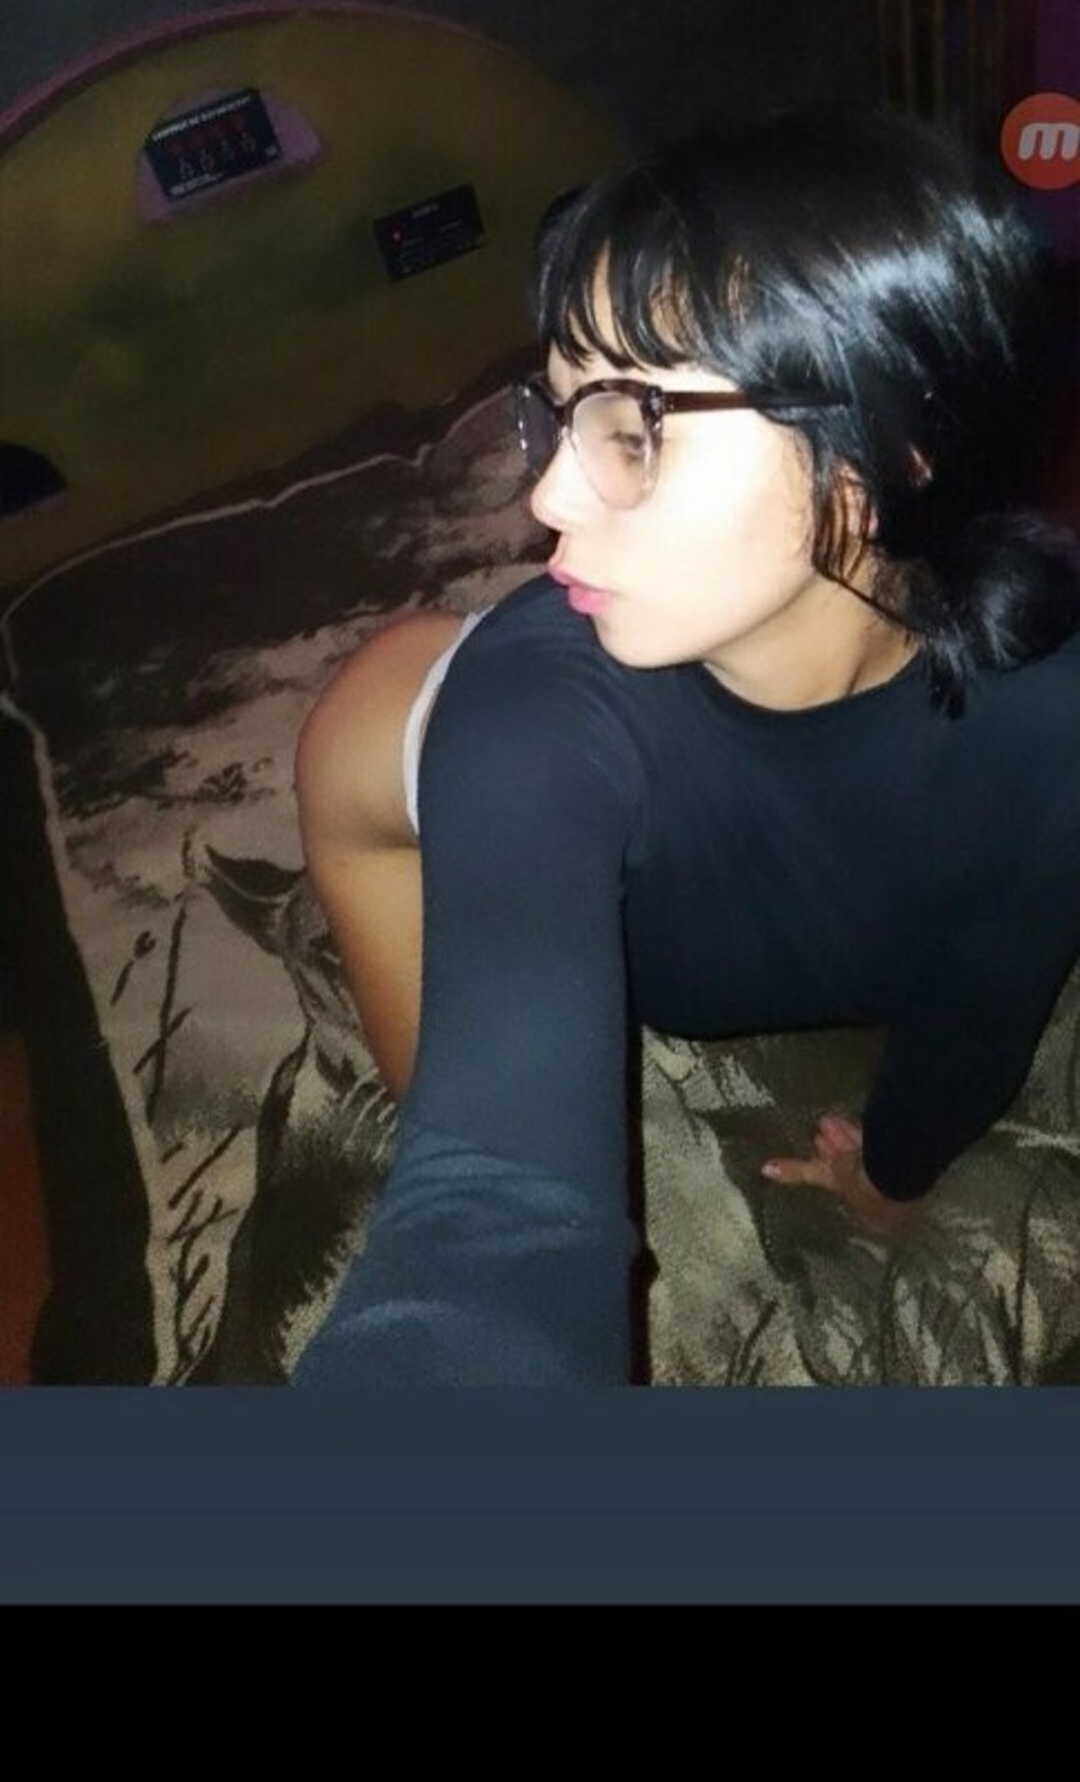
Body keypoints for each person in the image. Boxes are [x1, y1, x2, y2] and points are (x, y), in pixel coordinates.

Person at [293, 101, 1080, 1386]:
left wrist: (892, 1173)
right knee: (376, 776)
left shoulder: (1051, 707)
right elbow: (494, 1223)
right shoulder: (532, 724)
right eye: (561, 415)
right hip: (424, 739)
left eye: (633, 426)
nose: (544, 496)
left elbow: (991, 995)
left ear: (878, 453)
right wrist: (480, 1168)